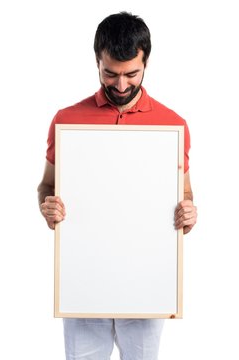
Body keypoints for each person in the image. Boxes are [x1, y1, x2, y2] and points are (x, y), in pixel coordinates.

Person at [37, 11, 197, 360]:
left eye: (131, 74)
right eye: (110, 73)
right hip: (84, 280)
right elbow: (47, 185)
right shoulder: (67, 120)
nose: (121, 86)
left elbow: (184, 192)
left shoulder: (173, 125)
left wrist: (188, 211)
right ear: (97, 61)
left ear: (146, 63)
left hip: (146, 283)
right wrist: (47, 205)